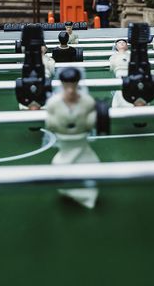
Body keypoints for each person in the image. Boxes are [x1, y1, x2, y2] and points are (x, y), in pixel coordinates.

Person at [44, 67, 99, 208]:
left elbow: (92, 121)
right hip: (65, 145)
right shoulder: (53, 103)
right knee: (60, 168)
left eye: (73, 84)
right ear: (62, 84)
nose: (70, 89)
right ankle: (70, 191)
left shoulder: (87, 102)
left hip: (81, 144)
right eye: (66, 85)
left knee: (90, 167)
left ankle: (87, 196)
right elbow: (50, 123)